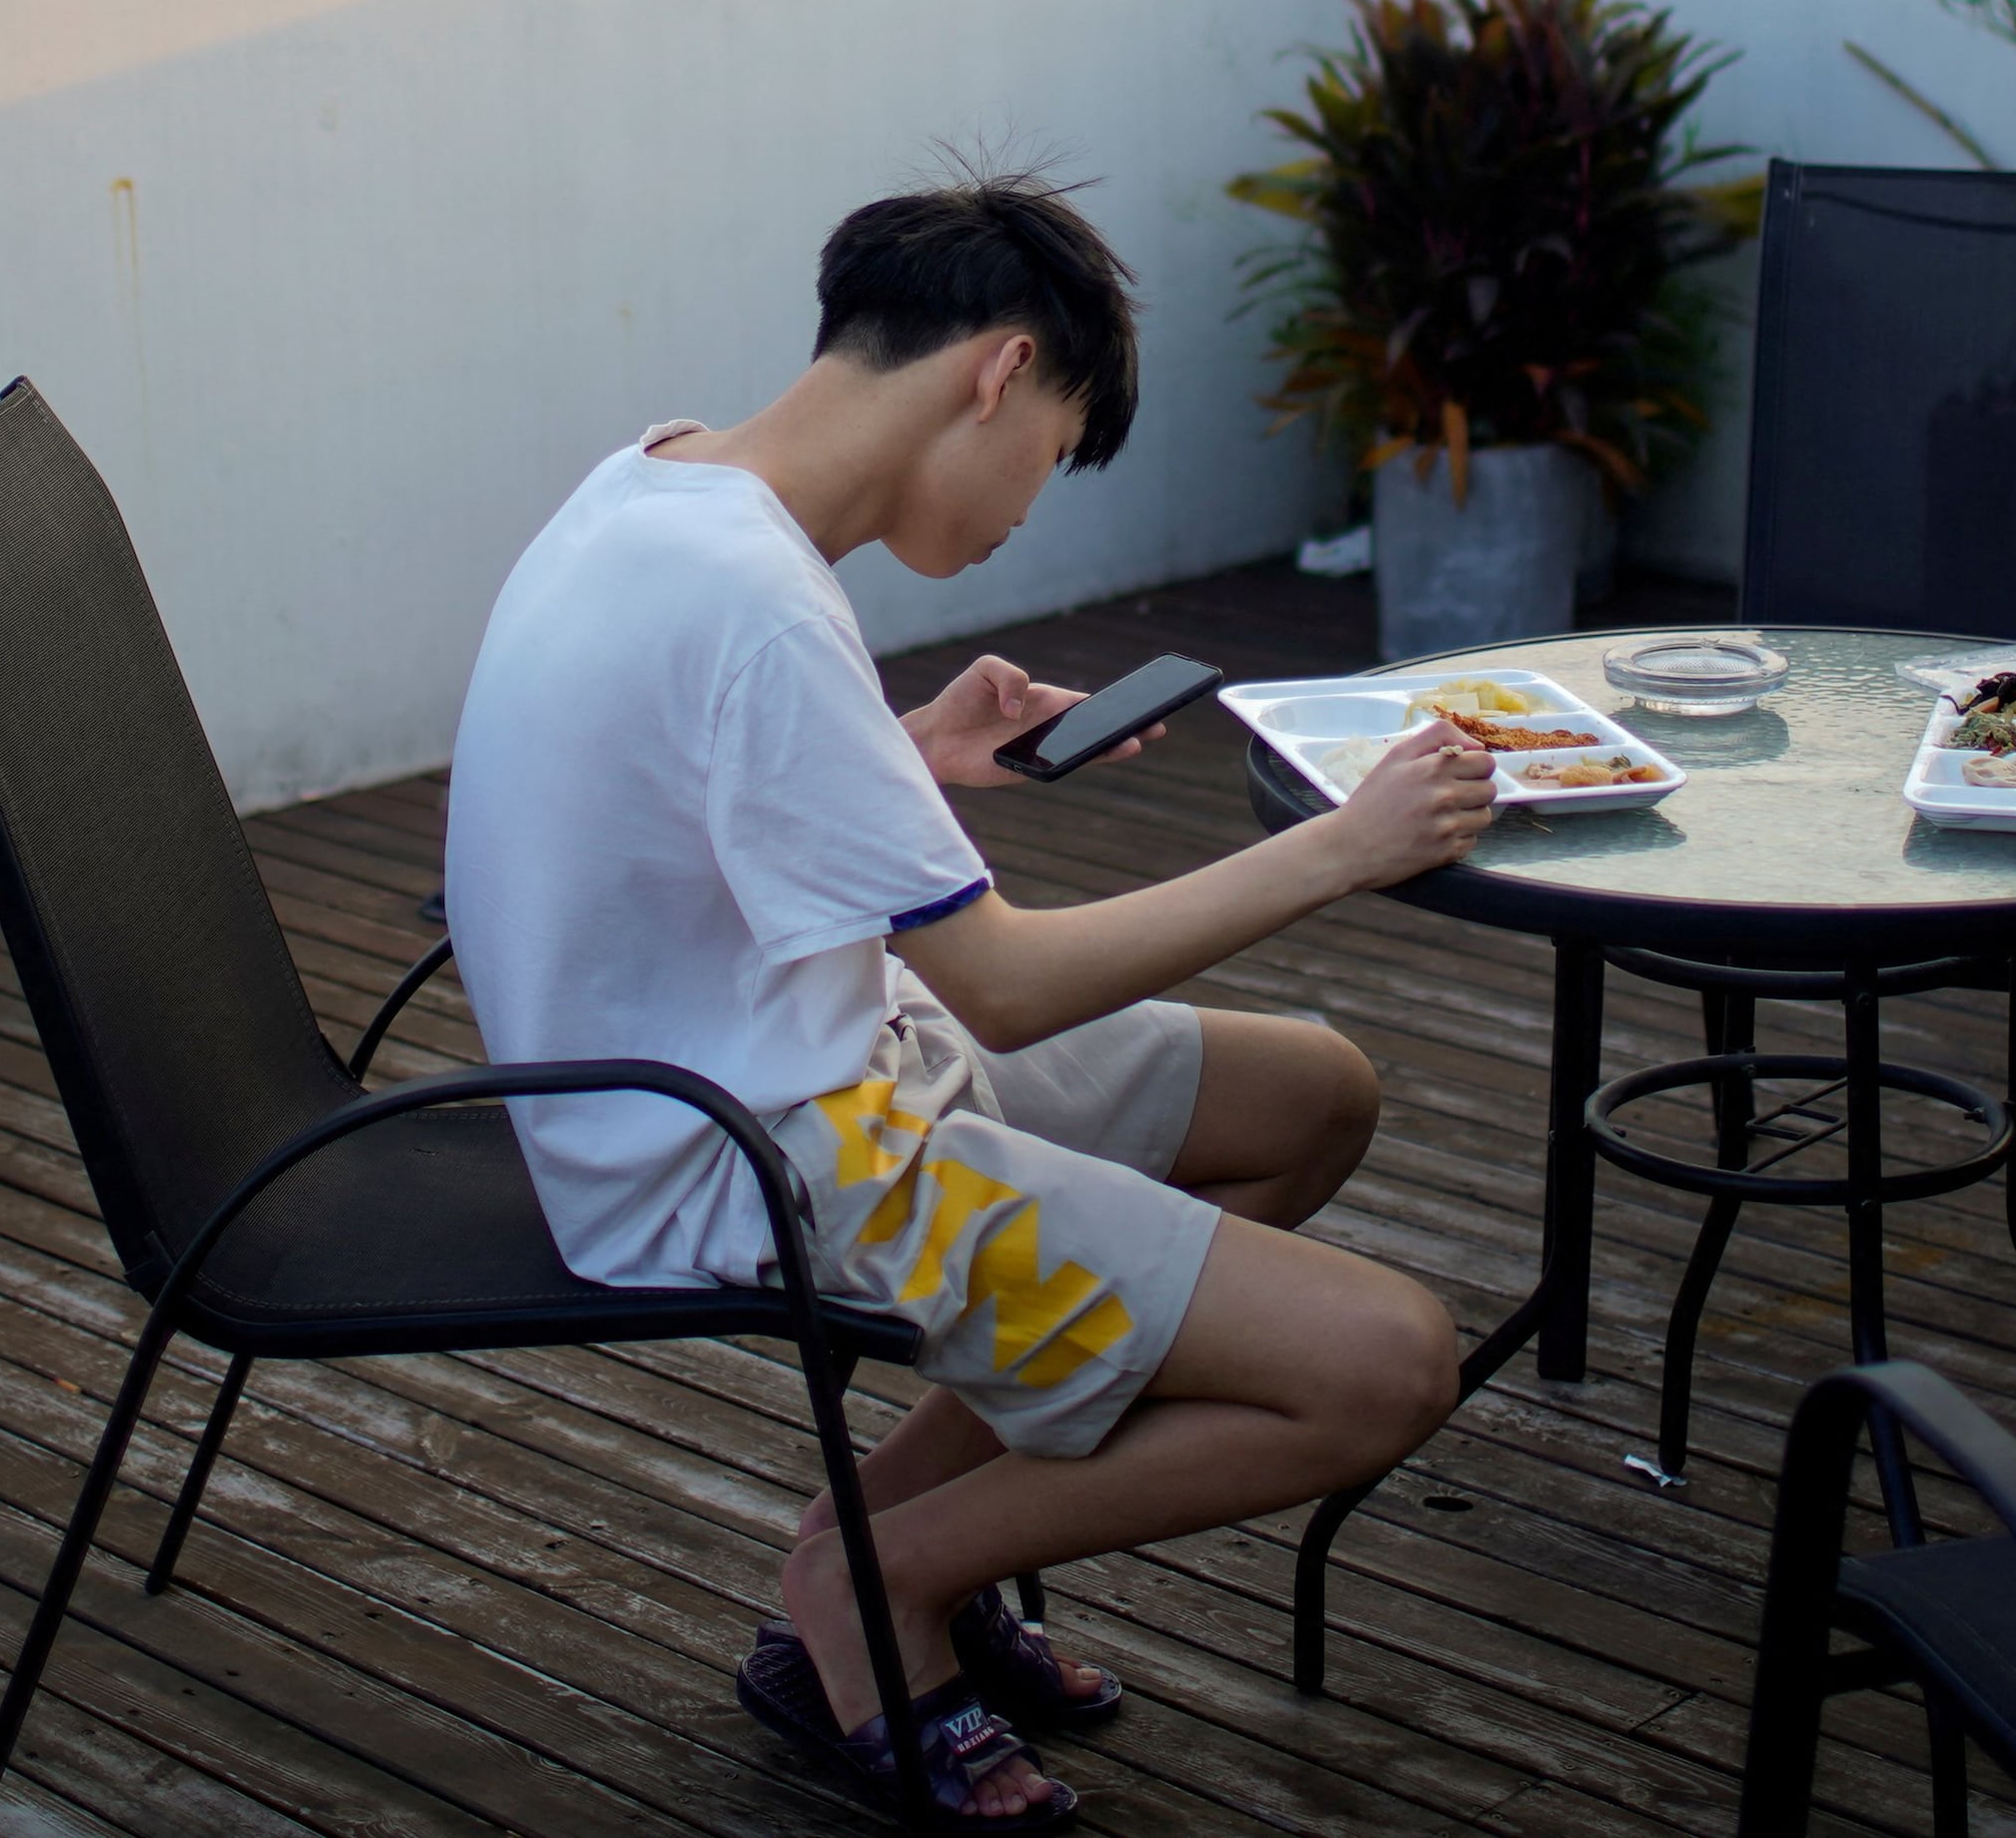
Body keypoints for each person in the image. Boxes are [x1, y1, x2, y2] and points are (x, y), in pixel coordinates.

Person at [440, 176, 1493, 1827]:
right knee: (1389, 1362)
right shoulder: (762, 603)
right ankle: (881, 1579)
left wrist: (908, 752)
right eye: (1058, 449)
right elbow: (1003, 984)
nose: (1031, 503)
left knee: (1318, 1092)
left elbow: (687, 775)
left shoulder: (659, 479)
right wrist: (1339, 853)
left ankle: (877, 1550)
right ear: (999, 372)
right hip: (769, 1145)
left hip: (797, 1050)